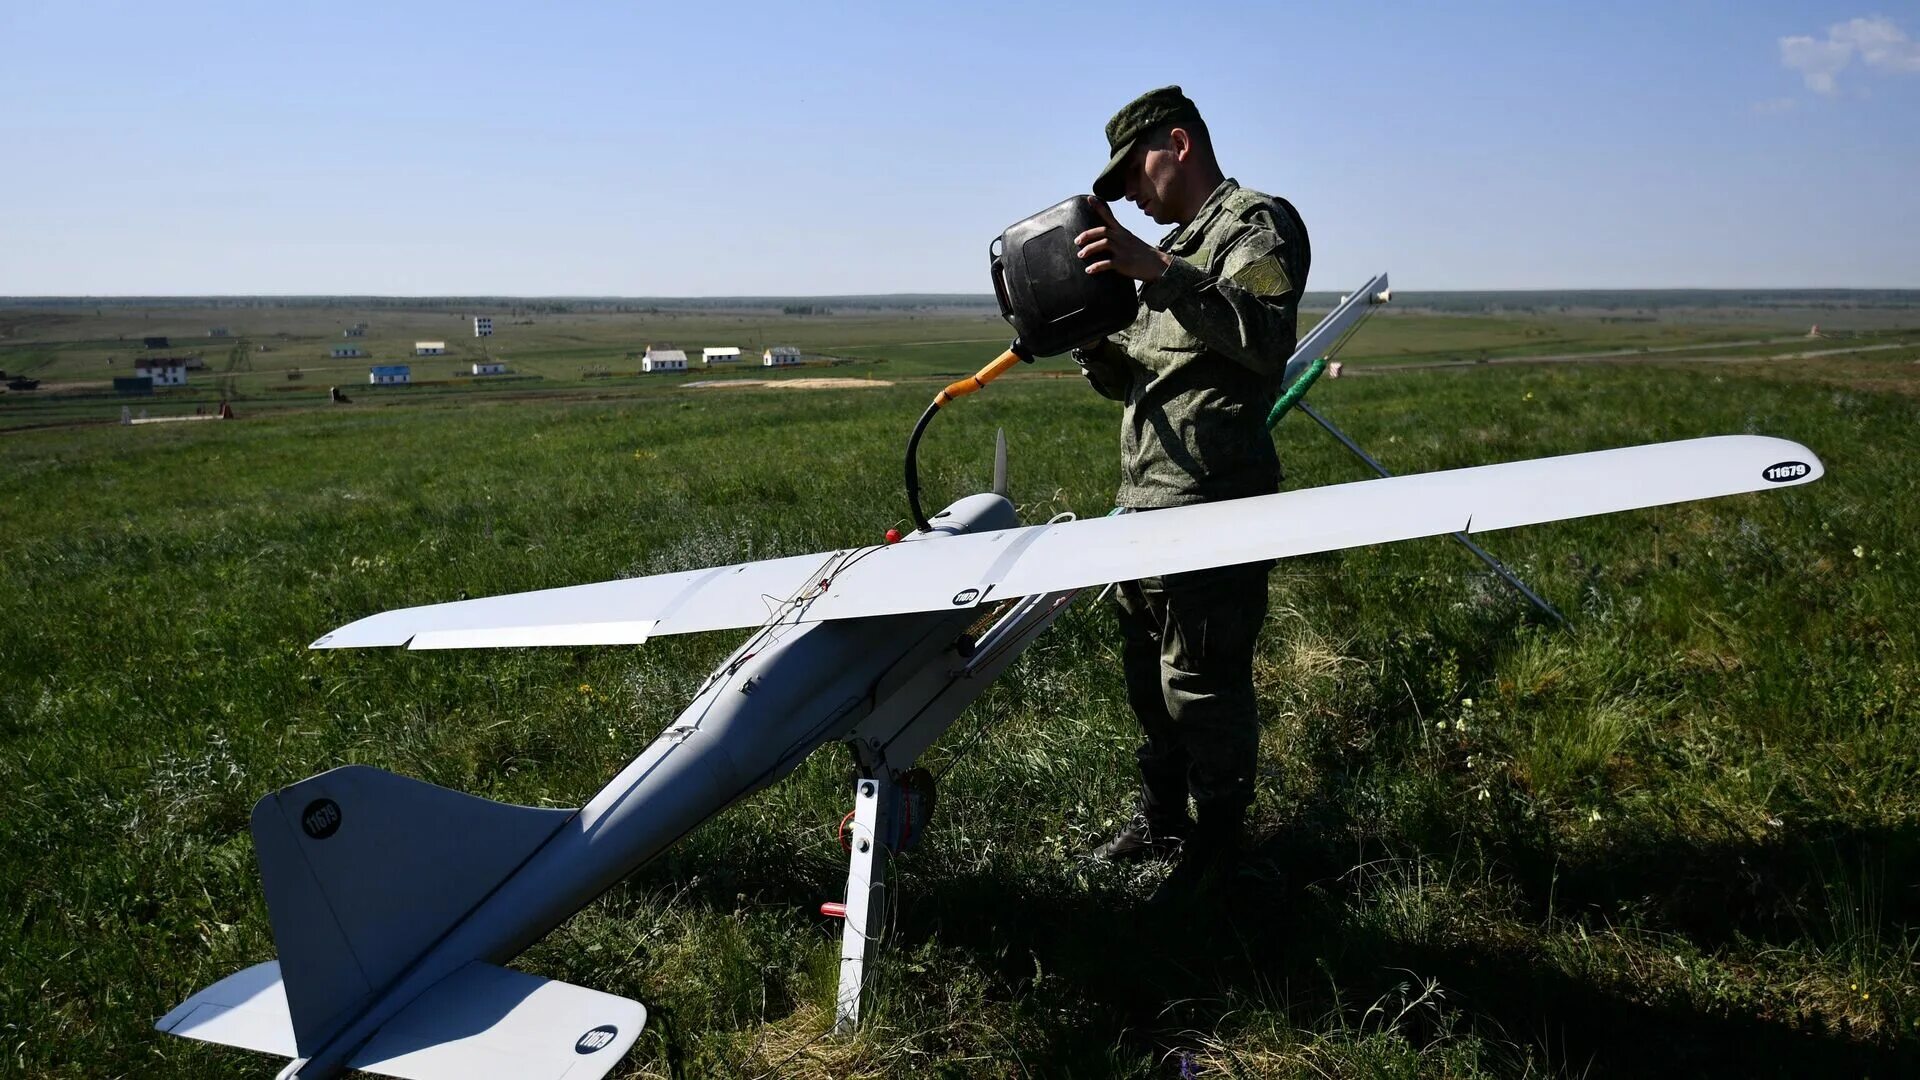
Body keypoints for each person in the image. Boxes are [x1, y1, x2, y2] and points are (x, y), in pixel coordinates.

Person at [1070, 86, 1310, 903]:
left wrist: (1161, 270)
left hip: (1216, 508)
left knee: (1203, 684)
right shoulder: (1162, 256)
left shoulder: (1256, 226)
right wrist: (1090, 344)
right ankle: (1163, 816)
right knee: (1149, 679)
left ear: (1178, 144)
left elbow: (1265, 338)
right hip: (1144, 505)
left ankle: (1222, 842)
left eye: (1131, 171)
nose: (1128, 196)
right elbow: (1144, 379)